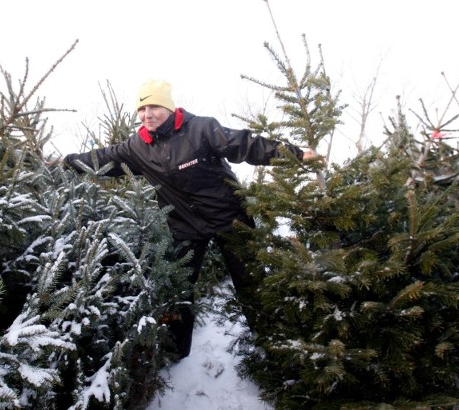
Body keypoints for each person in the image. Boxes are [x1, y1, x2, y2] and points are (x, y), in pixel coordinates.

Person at [63, 79, 317, 359]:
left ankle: (270, 339)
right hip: (185, 226)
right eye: (142, 108)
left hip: (230, 218)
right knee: (178, 288)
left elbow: (243, 145)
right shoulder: (137, 147)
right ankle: (175, 350)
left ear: (169, 108)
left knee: (250, 281)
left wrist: (295, 155)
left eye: (154, 106)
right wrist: (66, 161)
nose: (148, 114)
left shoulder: (201, 129)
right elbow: (102, 158)